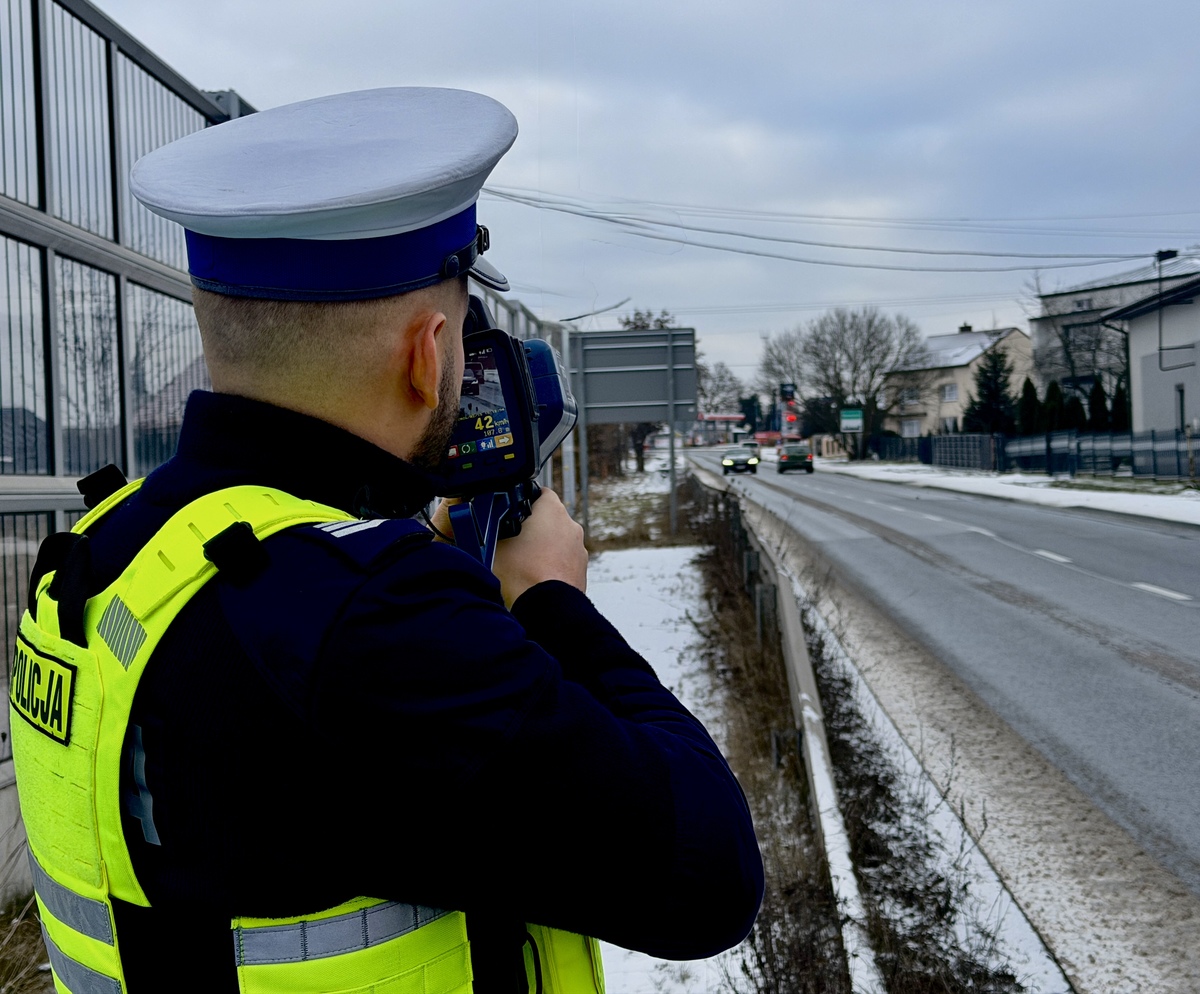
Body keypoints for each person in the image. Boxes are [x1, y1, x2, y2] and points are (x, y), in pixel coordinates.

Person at [10, 87, 762, 994]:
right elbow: (708, 875)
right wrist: (553, 599)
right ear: (427, 351)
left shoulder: (110, 547)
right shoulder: (374, 618)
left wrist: (411, 553)